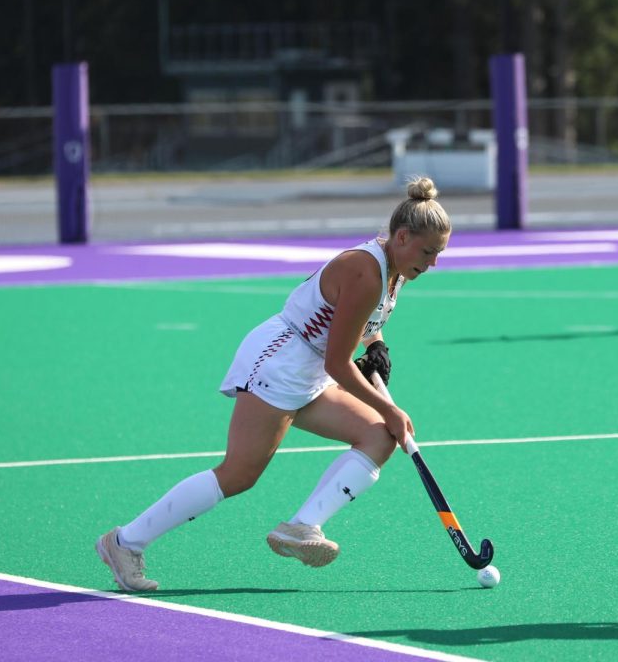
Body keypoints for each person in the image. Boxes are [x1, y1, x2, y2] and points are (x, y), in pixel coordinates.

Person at [96, 177, 451, 591]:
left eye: (439, 254)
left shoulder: (396, 271)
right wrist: (388, 407)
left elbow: (361, 327)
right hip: (281, 361)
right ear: (402, 236)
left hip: (310, 370)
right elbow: (339, 362)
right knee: (239, 474)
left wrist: (377, 346)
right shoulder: (365, 271)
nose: (432, 263)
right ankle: (124, 542)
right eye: (427, 252)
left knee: (377, 436)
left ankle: (302, 527)